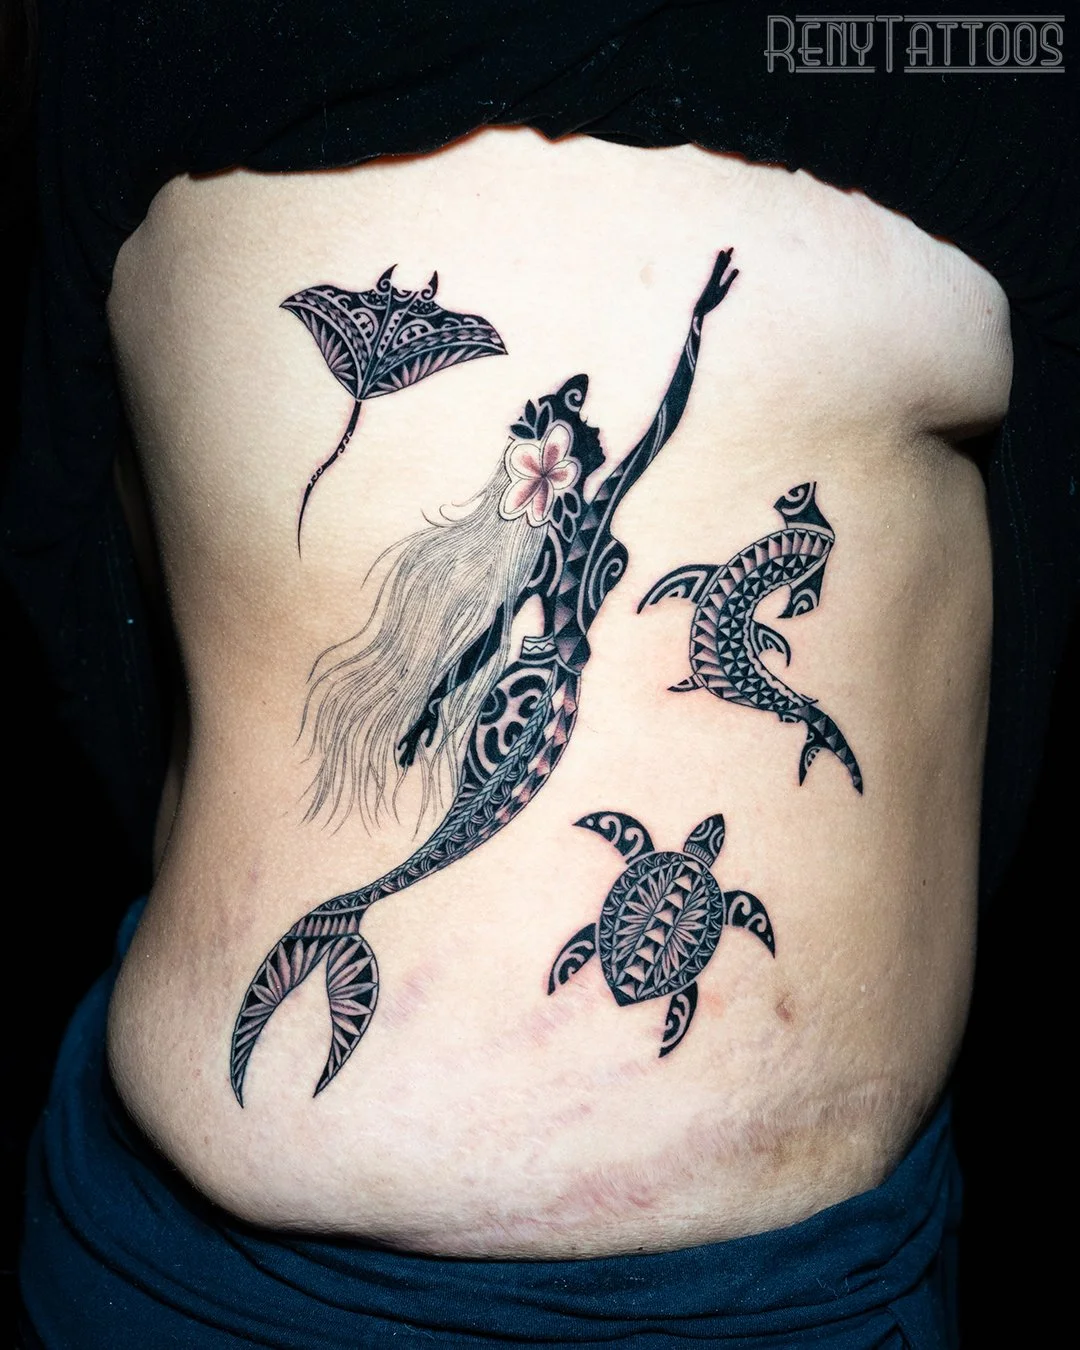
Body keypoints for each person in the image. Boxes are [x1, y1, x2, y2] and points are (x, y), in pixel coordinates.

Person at [9, 4, 1077, 1346]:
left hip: (770, 1298)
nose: (549, 442)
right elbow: (100, 574)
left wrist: (696, 329)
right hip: (177, 1269)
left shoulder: (964, 60)